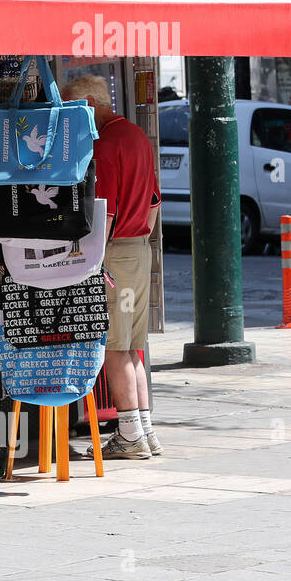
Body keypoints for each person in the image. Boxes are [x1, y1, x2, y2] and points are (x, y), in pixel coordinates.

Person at [61, 74, 162, 459]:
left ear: (89, 102)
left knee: (116, 347)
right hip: (139, 249)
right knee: (134, 345)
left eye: (74, 108)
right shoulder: (137, 136)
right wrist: (136, 238)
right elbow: (153, 201)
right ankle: (144, 431)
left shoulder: (105, 145)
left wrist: (92, 258)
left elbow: (105, 212)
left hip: (116, 251)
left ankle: (130, 436)